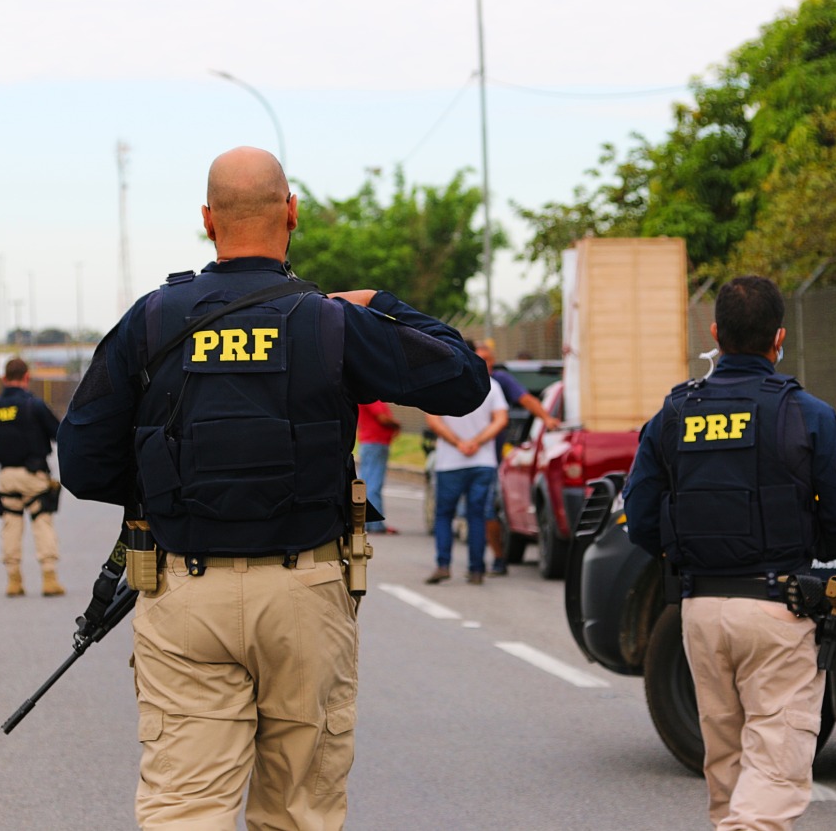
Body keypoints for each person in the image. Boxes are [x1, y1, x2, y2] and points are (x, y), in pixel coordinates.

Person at [56, 146, 489, 830]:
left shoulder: (152, 321)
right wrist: (381, 303)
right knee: (297, 812)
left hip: (184, 590)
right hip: (306, 592)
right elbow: (465, 378)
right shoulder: (332, 322)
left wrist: (174, 487)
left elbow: (81, 463)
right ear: (292, 212)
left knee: (184, 809)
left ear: (207, 220)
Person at [623, 275, 836, 831]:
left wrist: (685, 551)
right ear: (779, 339)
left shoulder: (673, 413)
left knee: (729, 770)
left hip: (699, 613)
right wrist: (810, 552)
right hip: (778, 608)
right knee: (774, 772)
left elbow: (638, 515)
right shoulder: (805, 413)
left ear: (716, 333)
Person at [423, 343, 508, 585]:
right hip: (482, 461)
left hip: (450, 462)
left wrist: (459, 443)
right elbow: (501, 419)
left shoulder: (440, 382)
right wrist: (477, 442)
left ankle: (443, 565)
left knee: (444, 515)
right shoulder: (492, 386)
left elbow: (433, 420)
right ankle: (477, 569)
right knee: (477, 515)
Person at [0, 356, 65, 597]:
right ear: (27, 377)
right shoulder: (34, 405)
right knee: (41, 521)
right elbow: (58, 433)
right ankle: (49, 578)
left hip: (6, 475)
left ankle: (14, 580)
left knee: (11, 524)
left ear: (4, 379)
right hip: (34, 475)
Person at [472, 341, 559, 574]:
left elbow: (526, 399)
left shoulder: (499, 381)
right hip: (460, 457)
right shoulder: (460, 379)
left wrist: (546, 418)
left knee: (488, 509)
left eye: (489, 360)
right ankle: (475, 563)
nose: (486, 365)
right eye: (481, 360)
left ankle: (497, 559)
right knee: (475, 512)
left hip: (491, 458)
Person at [357, 401, 400, 534]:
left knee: (367, 482)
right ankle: (374, 524)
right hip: (375, 442)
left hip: (370, 442)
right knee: (373, 484)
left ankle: (367, 522)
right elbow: (382, 418)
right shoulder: (371, 397)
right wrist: (397, 424)